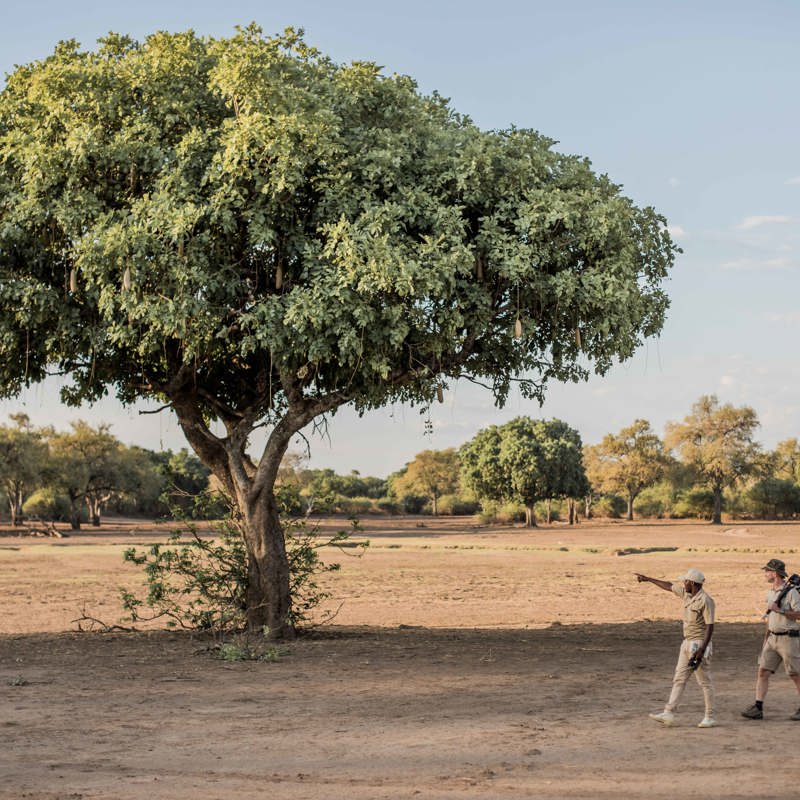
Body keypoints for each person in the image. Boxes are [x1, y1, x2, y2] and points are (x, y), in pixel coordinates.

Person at [635, 568, 716, 728]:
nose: (683, 583)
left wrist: (701, 650)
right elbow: (668, 586)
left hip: (698, 643)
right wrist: (648, 579)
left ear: (692, 583)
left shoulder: (706, 601)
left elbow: (710, 627)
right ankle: (669, 712)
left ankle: (710, 716)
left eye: (685, 581)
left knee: (704, 681)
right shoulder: (687, 594)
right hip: (686, 643)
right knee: (679, 678)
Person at [741, 558, 800, 721]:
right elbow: (770, 619)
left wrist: (780, 610)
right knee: (763, 671)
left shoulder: (792, 592)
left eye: (767, 571)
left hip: (789, 639)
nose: (764, 574)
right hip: (772, 638)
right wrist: (766, 638)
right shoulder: (771, 593)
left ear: (774, 573)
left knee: (796, 674)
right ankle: (758, 707)